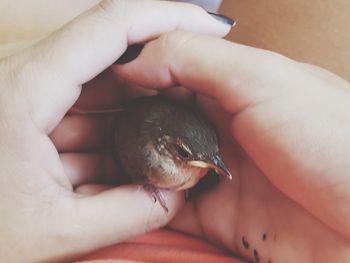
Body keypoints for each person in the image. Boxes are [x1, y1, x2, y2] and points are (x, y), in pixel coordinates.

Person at [1, 1, 350, 263]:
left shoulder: (204, 149)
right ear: (166, 149)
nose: (211, 164)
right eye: (185, 154)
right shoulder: (151, 163)